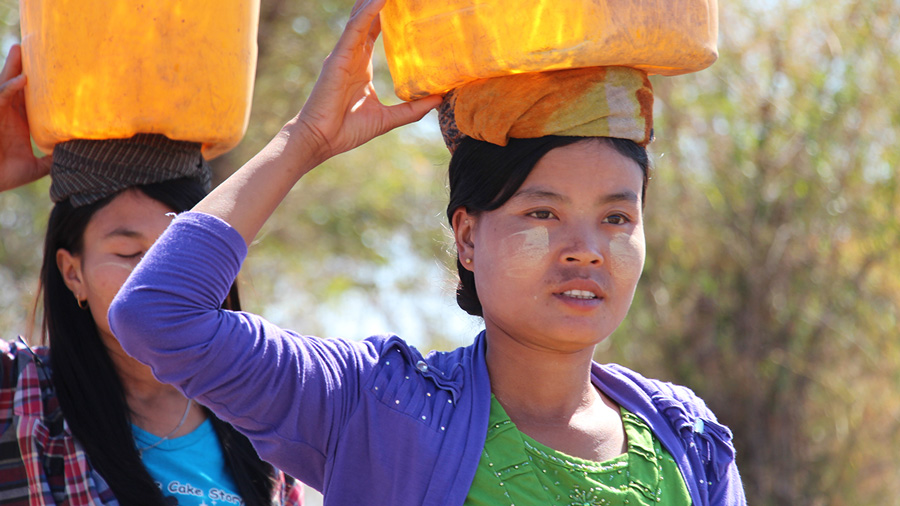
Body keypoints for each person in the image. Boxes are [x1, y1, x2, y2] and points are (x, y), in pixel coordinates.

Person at [109, 0, 747, 505]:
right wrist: (305, 139)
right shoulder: (375, 407)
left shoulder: (686, 442)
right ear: (469, 236)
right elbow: (159, 314)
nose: (586, 251)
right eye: (543, 213)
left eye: (616, 217)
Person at [0, 44, 303, 506]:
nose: (157, 278)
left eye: (177, 254)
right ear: (72, 272)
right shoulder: (18, 396)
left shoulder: (263, 422)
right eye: (128, 252)